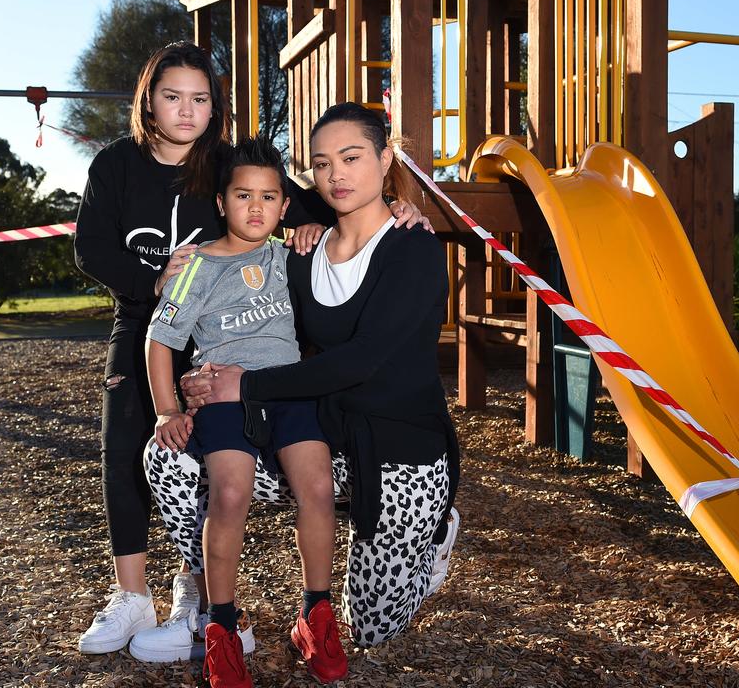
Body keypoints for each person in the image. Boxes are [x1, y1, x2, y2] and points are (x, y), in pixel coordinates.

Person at [72, 41, 428, 658]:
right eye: (172, 97)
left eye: (200, 99)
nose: (186, 111)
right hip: (152, 315)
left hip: (236, 334)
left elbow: (318, 197)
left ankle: (198, 595)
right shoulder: (116, 166)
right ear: (148, 102)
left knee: (230, 471)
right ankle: (137, 597)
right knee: (131, 445)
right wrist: (152, 284)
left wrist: (393, 204)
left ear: (216, 107)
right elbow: (91, 250)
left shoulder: (228, 161)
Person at [170, 102, 461, 649]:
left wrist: (246, 386)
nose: (337, 175)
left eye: (351, 158)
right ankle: (210, 602)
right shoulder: (302, 250)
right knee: (174, 459)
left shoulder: (415, 248)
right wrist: (180, 275)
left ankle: (435, 533)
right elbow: (238, 242)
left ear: (386, 157)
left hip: (402, 449)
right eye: (322, 164)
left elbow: (362, 359)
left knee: (371, 628)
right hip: (328, 438)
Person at [142, 138, 346, 687]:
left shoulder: (293, 256)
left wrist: (316, 233)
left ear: (284, 205)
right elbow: (160, 341)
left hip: (288, 393)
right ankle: (223, 628)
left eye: (269, 197)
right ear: (221, 203)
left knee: (319, 488)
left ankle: (315, 615)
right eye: (243, 196)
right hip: (226, 398)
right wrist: (166, 411)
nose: (256, 208)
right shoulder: (197, 266)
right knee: (230, 494)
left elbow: (353, 247)